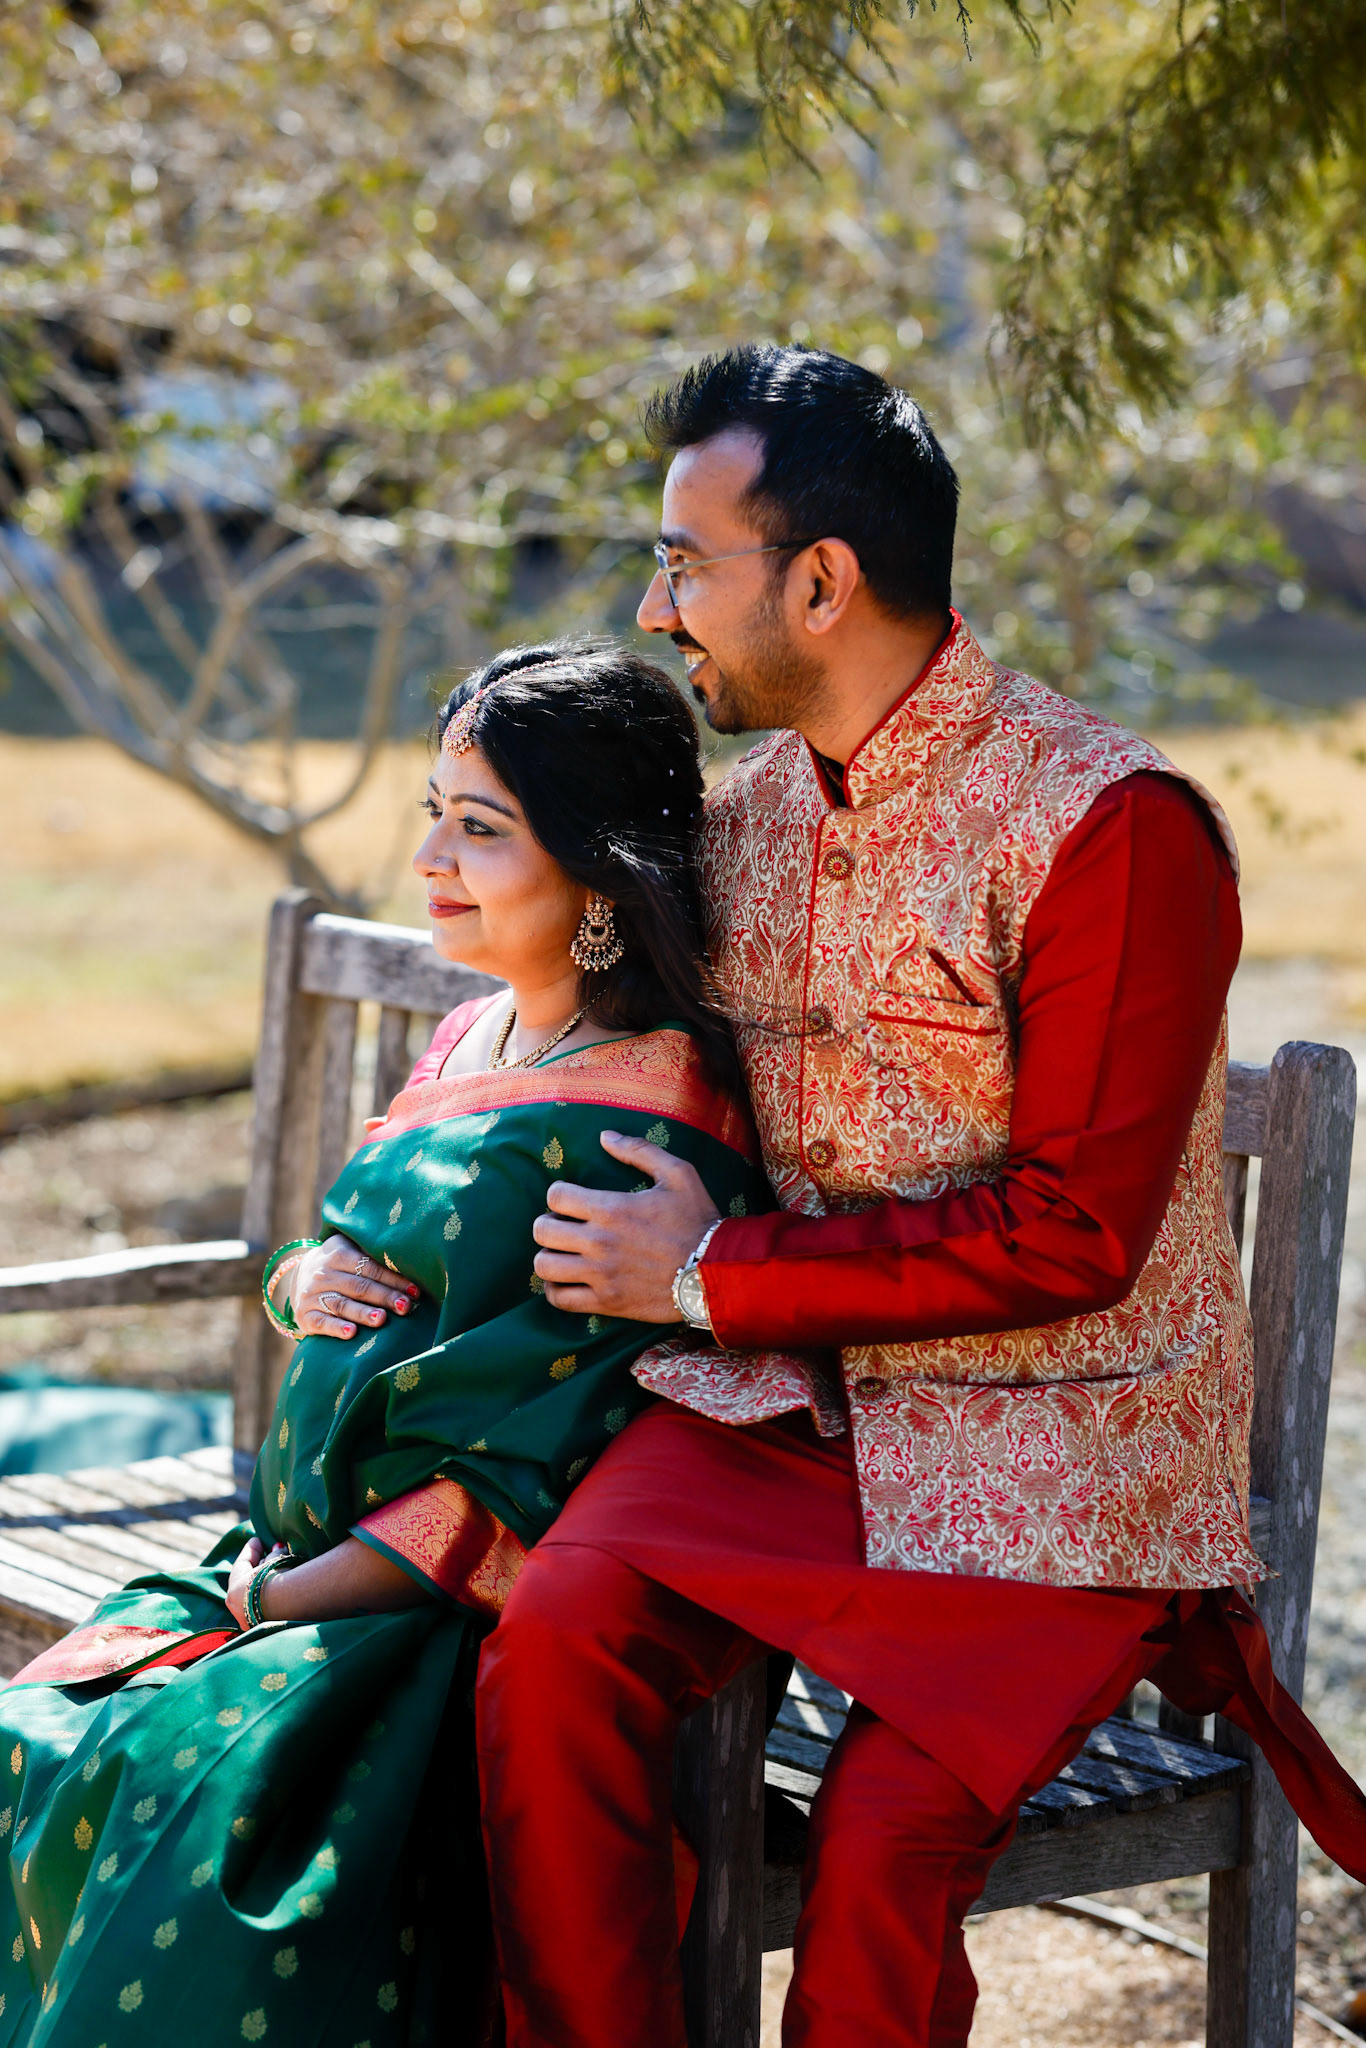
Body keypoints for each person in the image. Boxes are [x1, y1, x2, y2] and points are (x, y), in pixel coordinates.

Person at [474, 345, 1366, 2048]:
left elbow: (1074, 1234)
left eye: (681, 563)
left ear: (818, 581)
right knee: (552, 1639)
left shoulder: (1107, 826)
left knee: (883, 1838)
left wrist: (707, 1278)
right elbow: (570, 994)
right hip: (798, 1417)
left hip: (1064, 1454)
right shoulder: (743, 825)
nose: (655, 609)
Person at [0, 642, 778, 2048]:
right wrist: (299, 1278)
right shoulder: (478, 1031)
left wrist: (281, 1598)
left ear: (598, 878)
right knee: (36, 1733)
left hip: (410, 1624)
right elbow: (345, 1253)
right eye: (433, 813)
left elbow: (520, 1473)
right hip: (278, 1563)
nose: (428, 857)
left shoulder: (644, 1133)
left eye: (479, 828)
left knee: (182, 1816)